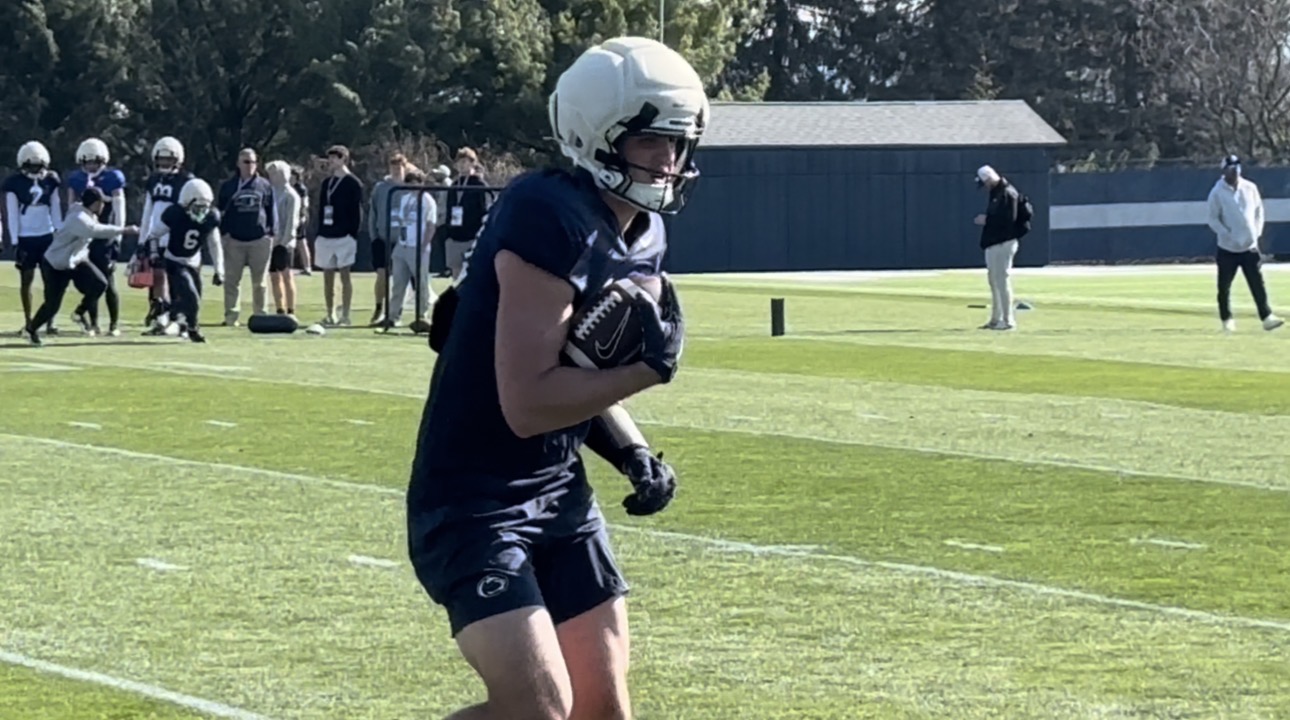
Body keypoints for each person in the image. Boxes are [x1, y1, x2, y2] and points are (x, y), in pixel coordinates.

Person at [406, 36, 704, 720]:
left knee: (603, 710)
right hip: (474, 499)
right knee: (537, 709)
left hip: (557, 489)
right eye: (652, 139)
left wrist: (631, 450)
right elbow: (529, 402)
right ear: (597, 135)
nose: (669, 159)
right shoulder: (547, 212)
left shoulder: (644, 233)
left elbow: (579, 372)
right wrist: (647, 370)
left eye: (678, 142)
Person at [25, 187, 139, 346]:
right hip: (56, 264)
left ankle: (79, 312)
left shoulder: (87, 213)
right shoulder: (78, 217)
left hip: (76, 261)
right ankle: (32, 329)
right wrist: (124, 230)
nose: (103, 206)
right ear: (95, 203)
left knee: (101, 283)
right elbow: (94, 231)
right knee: (52, 305)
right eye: (102, 202)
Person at [1206, 154, 1283, 332]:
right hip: (1228, 248)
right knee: (1224, 286)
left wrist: (1257, 232)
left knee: (1257, 284)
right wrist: (1227, 234)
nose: (1235, 172)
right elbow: (1213, 219)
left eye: (1237, 168)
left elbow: (1258, 211)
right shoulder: (1217, 193)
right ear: (1224, 171)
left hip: (1249, 247)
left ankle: (1266, 317)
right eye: (1231, 169)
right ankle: (1227, 319)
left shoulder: (1250, 187)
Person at [148, 179, 224, 343]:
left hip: (194, 262)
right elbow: (154, 234)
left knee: (193, 300)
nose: (201, 212)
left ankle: (164, 308)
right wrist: (154, 254)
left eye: (204, 208)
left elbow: (214, 244)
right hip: (174, 261)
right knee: (192, 298)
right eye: (197, 208)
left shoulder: (211, 217)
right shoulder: (175, 214)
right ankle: (192, 330)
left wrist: (219, 270)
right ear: (186, 204)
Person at [66, 137, 127, 337]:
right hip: (85, 237)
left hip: (104, 237)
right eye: (88, 162)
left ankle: (114, 324)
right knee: (91, 282)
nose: (91, 166)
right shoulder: (76, 179)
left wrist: (118, 236)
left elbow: (119, 209)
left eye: (95, 162)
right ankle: (93, 323)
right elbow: (71, 208)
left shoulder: (112, 178)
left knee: (108, 282)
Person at [5, 140, 63, 336]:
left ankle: (49, 320)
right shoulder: (15, 183)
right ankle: (29, 320)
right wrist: (15, 240)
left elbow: (55, 208)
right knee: (26, 280)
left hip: (46, 234)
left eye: (38, 166)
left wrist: (58, 232)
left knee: (51, 281)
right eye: (31, 166)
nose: (35, 170)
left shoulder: (51, 180)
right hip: (26, 236)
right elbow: (12, 213)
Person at [138, 136, 194, 333]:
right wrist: (142, 240)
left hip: (175, 239)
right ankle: (160, 319)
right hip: (156, 237)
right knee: (155, 280)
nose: (164, 163)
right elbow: (147, 212)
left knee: (176, 281)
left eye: (168, 159)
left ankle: (179, 320)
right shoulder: (153, 180)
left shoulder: (186, 181)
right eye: (161, 159)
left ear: (178, 159)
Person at [217, 148, 275, 326]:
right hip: (234, 240)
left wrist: (271, 233)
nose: (250, 166)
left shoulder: (264, 185)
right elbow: (220, 212)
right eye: (246, 162)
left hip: (259, 240)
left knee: (260, 282)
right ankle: (231, 316)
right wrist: (223, 235)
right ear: (238, 164)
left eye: (253, 162)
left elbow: (271, 211)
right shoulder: (229, 186)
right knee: (232, 281)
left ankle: (260, 315)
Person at [313, 145, 363, 326]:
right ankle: (330, 313)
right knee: (327, 277)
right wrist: (320, 232)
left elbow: (357, 212)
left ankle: (346, 315)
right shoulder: (327, 183)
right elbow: (320, 209)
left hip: (344, 236)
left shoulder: (353, 183)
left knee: (345, 276)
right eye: (330, 158)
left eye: (335, 158)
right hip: (326, 235)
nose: (331, 161)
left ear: (344, 159)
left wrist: (352, 234)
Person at [974, 164, 1022, 331]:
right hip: (994, 242)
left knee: (1002, 280)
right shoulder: (996, 193)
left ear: (989, 179)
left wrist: (987, 220)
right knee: (994, 281)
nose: (985, 186)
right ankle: (996, 318)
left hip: (1004, 242)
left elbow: (1009, 220)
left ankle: (1008, 320)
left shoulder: (1007, 193)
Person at [386, 168, 437, 327]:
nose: (413, 187)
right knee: (398, 283)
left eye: (416, 183)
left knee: (421, 284)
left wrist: (423, 246)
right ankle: (393, 316)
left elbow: (431, 225)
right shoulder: (405, 198)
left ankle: (422, 316)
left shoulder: (428, 201)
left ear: (422, 184)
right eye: (410, 183)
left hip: (418, 247)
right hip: (402, 245)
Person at [369, 154, 408, 326]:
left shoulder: (410, 187)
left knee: (400, 278)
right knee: (381, 275)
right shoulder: (380, 188)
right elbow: (373, 212)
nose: (396, 170)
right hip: (382, 239)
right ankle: (379, 309)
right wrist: (374, 236)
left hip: (403, 241)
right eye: (393, 167)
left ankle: (396, 313)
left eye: (399, 167)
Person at [443, 147, 493, 280]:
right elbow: (449, 209)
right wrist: (448, 233)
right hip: (454, 237)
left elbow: (485, 209)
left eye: (464, 162)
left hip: (472, 237)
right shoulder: (454, 185)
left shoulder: (479, 184)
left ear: (472, 163)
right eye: (459, 162)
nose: (461, 165)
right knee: (455, 272)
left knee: (473, 273)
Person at [265, 160, 301, 318]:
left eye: (274, 173)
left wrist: (284, 241)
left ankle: (291, 310)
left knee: (287, 275)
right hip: (270, 241)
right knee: (274, 276)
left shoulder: (291, 195)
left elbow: (292, 221)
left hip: (284, 243)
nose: (271, 176)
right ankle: (279, 309)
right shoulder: (269, 192)